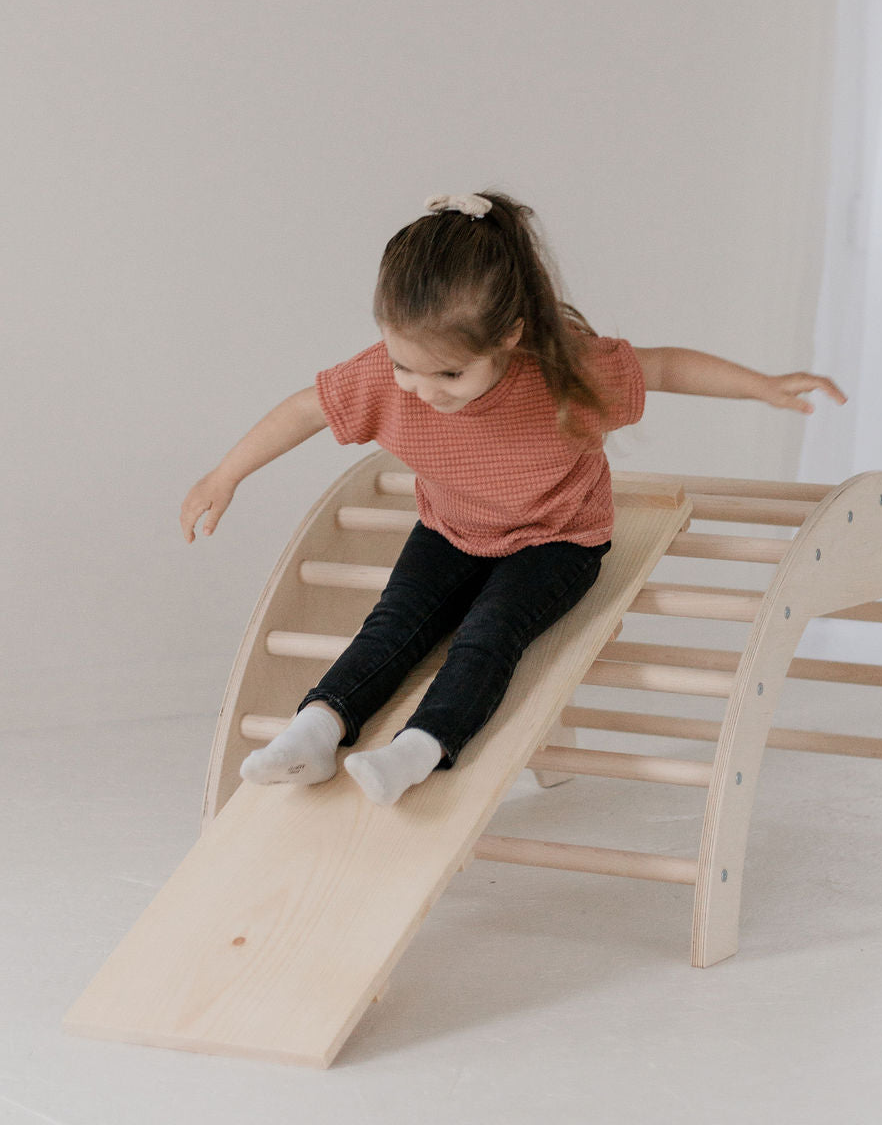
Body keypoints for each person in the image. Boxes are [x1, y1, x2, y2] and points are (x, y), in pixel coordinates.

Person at [180, 190, 847, 806]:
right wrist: (226, 473)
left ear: (508, 337)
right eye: (404, 364)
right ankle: (317, 731)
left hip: (557, 540)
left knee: (491, 634)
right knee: (394, 624)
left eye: (448, 373)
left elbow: (664, 365)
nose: (422, 389)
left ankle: (421, 749)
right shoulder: (386, 377)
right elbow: (305, 409)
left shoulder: (564, 372)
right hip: (451, 528)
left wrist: (762, 385)